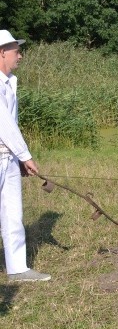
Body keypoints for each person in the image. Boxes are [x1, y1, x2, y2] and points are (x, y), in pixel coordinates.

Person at [0, 29, 51, 282]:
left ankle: (17, 268)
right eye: (16, 51)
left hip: (7, 157)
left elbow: (13, 123)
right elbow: (3, 123)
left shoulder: (10, 82)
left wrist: (19, 157)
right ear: (2, 53)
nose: (20, 56)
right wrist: (26, 154)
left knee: (13, 213)